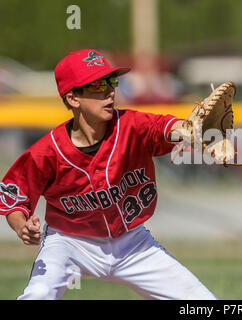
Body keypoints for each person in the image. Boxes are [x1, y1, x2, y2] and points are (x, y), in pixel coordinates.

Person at [0, 49, 217, 300]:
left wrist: (189, 129)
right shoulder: (48, 152)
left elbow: (163, 127)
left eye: (112, 81)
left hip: (133, 244)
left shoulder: (131, 126)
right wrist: (21, 226)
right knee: (38, 295)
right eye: (97, 85)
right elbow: (15, 195)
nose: (110, 91)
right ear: (73, 98)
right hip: (70, 244)